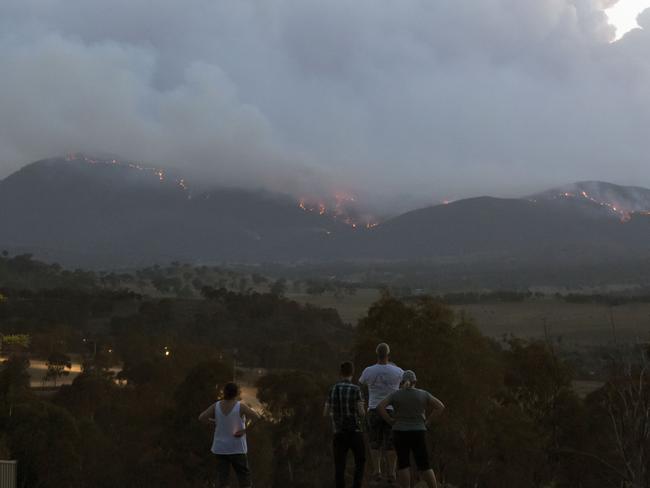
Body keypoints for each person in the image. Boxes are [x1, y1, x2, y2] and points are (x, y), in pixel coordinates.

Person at [377, 370, 445, 488]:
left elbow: (380, 406)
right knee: (424, 465)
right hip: (418, 432)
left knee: (403, 464)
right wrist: (428, 422)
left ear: (402, 381)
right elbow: (440, 407)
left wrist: (390, 420)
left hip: (400, 432)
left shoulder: (396, 394)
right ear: (415, 381)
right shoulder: (423, 394)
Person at [199, 382, 261, 488]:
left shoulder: (216, 405)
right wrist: (244, 431)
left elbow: (202, 417)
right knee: (244, 480)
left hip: (220, 448)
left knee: (223, 481)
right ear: (236, 393)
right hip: (237, 448)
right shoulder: (240, 406)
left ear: (225, 392)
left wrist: (215, 422)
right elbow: (257, 418)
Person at [358, 343, 404, 485]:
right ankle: (391, 472)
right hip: (391, 410)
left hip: (374, 410)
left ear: (376, 354)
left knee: (374, 443)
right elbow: (405, 384)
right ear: (388, 354)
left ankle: (377, 471)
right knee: (392, 444)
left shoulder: (368, 370)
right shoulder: (397, 371)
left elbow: (361, 384)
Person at [324, 361, 366, 488]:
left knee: (339, 465)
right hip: (355, 432)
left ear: (340, 373)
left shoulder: (333, 389)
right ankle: (356, 485)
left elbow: (325, 412)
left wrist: (335, 414)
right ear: (352, 373)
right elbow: (361, 413)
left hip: (339, 432)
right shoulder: (356, 389)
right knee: (360, 460)